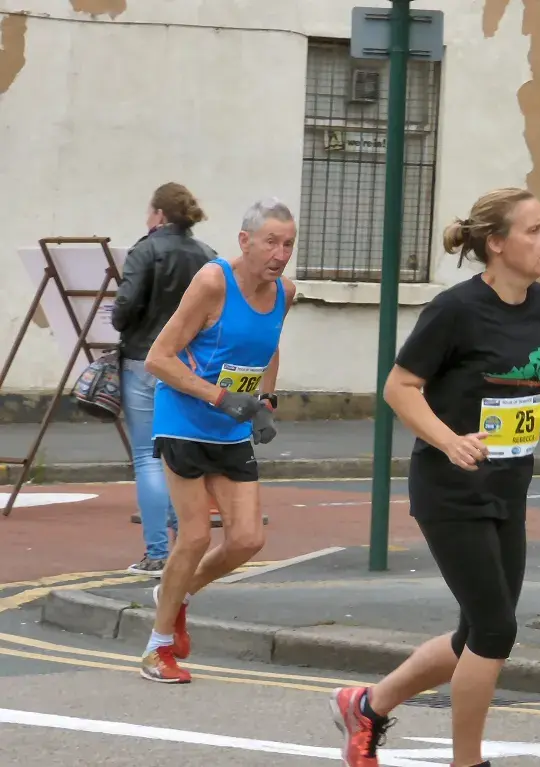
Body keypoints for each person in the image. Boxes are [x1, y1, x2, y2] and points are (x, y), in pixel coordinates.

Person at [329, 187, 540, 767]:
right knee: (496, 631)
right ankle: (467, 761)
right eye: (534, 229)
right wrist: (448, 440)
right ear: (497, 243)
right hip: (451, 490)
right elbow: (400, 387)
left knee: (474, 634)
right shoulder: (455, 310)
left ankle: (367, 707)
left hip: (509, 488)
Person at [138, 198, 297, 684]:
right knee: (195, 536)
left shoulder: (285, 292)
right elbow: (159, 358)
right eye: (271, 242)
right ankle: (157, 649)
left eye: (288, 244)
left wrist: (265, 401)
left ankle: (176, 594)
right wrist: (220, 397)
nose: (280, 254)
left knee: (248, 538)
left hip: (232, 426)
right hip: (184, 419)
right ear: (244, 241)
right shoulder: (213, 282)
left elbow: (268, 347)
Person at [112, 182, 216, 577]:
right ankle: (185, 549)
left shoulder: (145, 251)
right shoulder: (207, 256)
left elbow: (124, 308)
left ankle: (156, 553)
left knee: (147, 457)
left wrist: (123, 321)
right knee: (178, 455)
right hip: (188, 366)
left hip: (144, 358)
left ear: (158, 214)